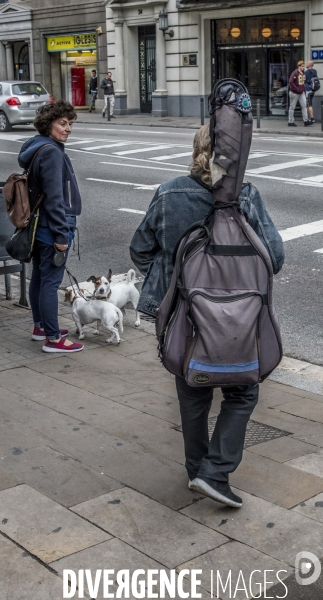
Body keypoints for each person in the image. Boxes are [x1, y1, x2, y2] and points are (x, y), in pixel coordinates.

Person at [130, 124, 284, 508]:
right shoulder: (246, 195)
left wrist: (177, 278)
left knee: (191, 387)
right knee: (243, 390)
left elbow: (140, 250)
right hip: (239, 318)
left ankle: (197, 470)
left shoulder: (169, 193)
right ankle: (215, 472)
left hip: (185, 315)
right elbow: (274, 258)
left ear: (195, 148)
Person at [17, 100, 84, 354]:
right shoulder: (52, 152)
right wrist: (61, 234)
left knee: (39, 276)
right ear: (48, 125)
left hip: (37, 225)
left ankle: (41, 328)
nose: (68, 129)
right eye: (62, 123)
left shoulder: (36, 147)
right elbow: (55, 198)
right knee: (50, 282)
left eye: (70, 124)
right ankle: (53, 339)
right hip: (52, 225)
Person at [288, 60, 311, 127]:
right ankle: (290, 121)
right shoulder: (294, 73)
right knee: (292, 107)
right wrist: (296, 89)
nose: (303, 67)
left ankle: (305, 120)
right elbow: (291, 82)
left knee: (304, 105)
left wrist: (303, 89)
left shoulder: (302, 73)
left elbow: (303, 82)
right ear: (299, 66)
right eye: (302, 66)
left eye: (304, 66)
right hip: (294, 93)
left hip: (301, 92)